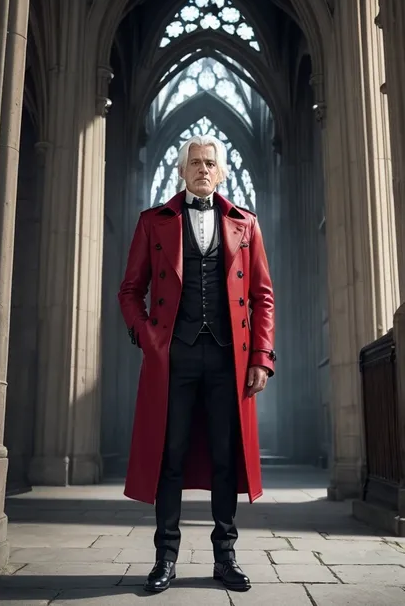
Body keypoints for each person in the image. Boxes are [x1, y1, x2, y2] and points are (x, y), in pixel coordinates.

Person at [118, 135, 275, 593]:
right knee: (171, 456)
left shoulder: (246, 224)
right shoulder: (154, 222)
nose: (203, 169)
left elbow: (262, 297)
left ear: (221, 172)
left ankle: (225, 559)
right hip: (174, 357)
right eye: (195, 163)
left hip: (230, 357)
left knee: (227, 459)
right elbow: (130, 290)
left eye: (210, 163)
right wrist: (147, 337)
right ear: (181, 171)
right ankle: (164, 559)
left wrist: (261, 357)